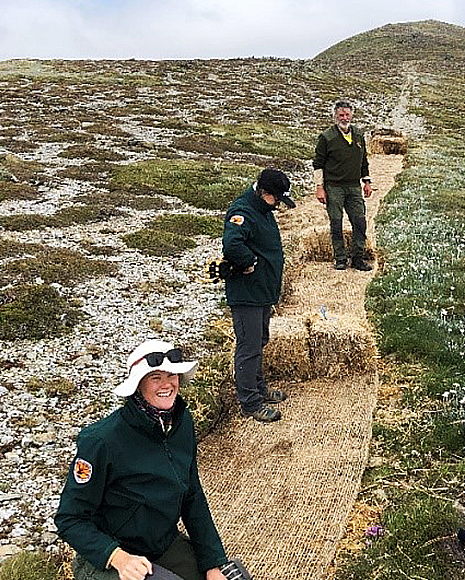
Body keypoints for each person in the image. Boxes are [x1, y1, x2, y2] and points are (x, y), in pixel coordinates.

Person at [54, 339, 229, 580]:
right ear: (137, 385)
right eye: (155, 377)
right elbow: (69, 519)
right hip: (110, 556)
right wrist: (117, 557)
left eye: (171, 375)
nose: (166, 384)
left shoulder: (182, 422)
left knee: (231, 575)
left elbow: (192, 496)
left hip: (162, 545)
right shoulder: (101, 441)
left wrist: (213, 562)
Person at [222, 168, 295, 423]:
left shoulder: (262, 209)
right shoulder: (242, 211)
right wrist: (248, 261)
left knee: (259, 341)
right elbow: (232, 244)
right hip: (247, 293)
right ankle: (250, 402)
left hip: (261, 291)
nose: (277, 205)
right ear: (264, 193)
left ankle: (259, 388)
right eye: (276, 199)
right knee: (249, 347)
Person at [313, 99, 373, 271]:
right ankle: (340, 258)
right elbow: (318, 164)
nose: (344, 118)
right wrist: (319, 187)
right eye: (341, 115)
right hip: (334, 187)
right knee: (336, 223)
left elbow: (364, 161)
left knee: (360, 222)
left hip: (354, 186)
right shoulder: (326, 137)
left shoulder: (358, 135)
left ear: (352, 115)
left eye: (347, 114)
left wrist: (367, 182)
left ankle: (357, 258)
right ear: (335, 116)